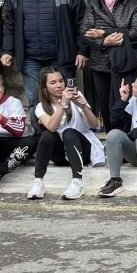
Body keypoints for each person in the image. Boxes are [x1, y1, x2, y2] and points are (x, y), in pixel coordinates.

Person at [1, 0, 88, 131]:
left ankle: (70, 138)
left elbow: (82, 22)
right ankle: (41, 142)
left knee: (68, 99)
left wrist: (82, 50)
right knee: (35, 100)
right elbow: (10, 22)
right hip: (31, 59)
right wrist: (7, 50)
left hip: (62, 57)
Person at [82, 0, 137, 130]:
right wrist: (104, 42)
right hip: (101, 64)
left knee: (125, 105)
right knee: (106, 107)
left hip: (127, 65)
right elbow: (86, 33)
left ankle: (127, 144)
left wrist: (104, 33)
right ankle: (112, 143)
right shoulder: (94, 5)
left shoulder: (134, 5)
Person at [26, 66, 103, 201]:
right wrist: (63, 105)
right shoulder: (40, 107)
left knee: (69, 132)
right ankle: (38, 181)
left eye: (61, 81)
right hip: (61, 154)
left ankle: (78, 182)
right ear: (44, 87)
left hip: (82, 150)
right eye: (53, 82)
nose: (59, 85)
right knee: (47, 135)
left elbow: (94, 124)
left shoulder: (77, 96)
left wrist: (84, 106)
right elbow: (51, 126)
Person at [0, 73, 38, 193]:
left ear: (3, 88)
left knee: (31, 141)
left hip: (12, 144)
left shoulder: (13, 102)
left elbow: (18, 130)